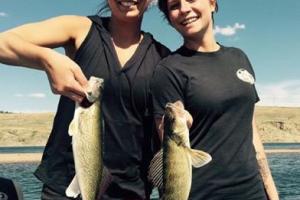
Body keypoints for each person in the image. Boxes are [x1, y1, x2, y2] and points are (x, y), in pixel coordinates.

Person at [0, 0, 170, 199]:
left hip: (131, 191)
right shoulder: (80, 29)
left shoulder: (163, 58)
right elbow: (4, 42)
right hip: (65, 188)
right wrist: (47, 59)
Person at [150, 0, 279, 199]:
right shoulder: (168, 70)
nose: (184, 8)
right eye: (174, 5)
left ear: (212, 3)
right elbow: (168, 148)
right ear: (170, 19)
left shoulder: (239, 58)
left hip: (254, 193)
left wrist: (271, 191)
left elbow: (251, 133)